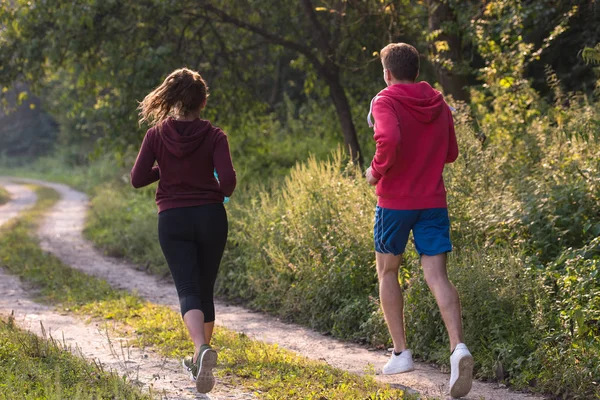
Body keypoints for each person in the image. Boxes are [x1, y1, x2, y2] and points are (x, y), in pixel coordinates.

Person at [365, 43, 473, 398]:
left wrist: (375, 171)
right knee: (437, 275)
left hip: (395, 203)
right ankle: (458, 348)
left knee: (388, 271)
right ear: (417, 70)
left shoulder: (384, 100)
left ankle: (400, 353)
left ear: (388, 73)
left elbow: (390, 138)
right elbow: (452, 153)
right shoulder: (438, 103)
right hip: (433, 202)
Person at [131, 68, 236, 394]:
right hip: (210, 217)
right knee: (205, 288)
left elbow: (137, 178)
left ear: (173, 99)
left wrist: (166, 168)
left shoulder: (157, 135)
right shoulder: (215, 136)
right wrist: (207, 184)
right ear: (203, 101)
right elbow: (229, 183)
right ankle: (199, 356)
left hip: (173, 219)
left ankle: (200, 351)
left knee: (188, 288)